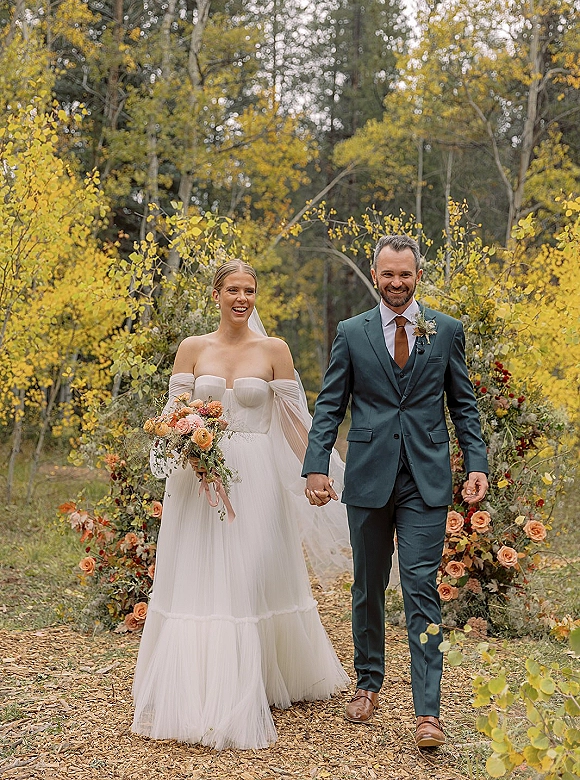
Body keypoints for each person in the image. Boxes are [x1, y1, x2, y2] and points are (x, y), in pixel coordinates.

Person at [131, 259, 350, 750]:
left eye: (250, 290)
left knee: (247, 578)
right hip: (197, 483)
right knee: (199, 581)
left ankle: (257, 679)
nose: (242, 298)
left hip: (255, 481)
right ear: (216, 295)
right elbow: (171, 416)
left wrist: (316, 470)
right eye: (233, 289)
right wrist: (182, 441)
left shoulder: (274, 350)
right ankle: (201, 693)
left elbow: (295, 422)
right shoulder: (193, 349)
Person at [302, 234, 488, 748]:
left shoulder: (446, 331)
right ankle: (368, 683)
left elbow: (464, 405)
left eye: (405, 274)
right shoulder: (351, 332)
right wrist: (317, 464)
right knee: (367, 586)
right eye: (388, 274)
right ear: (375, 275)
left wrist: (477, 462)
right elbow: (330, 404)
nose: (396, 283)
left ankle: (428, 711)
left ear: (417, 276)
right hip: (367, 477)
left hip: (425, 480)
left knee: (420, 588)